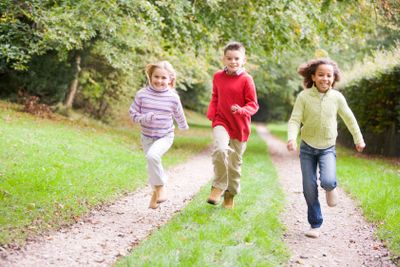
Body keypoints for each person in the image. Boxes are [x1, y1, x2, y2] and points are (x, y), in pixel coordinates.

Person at [287, 58, 366, 238]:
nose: (325, 78)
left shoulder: (337, 97)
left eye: (329, 75)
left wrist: (358, 139)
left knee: (328, 180)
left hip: (327, 148)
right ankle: (315, 224)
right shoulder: (304, 96)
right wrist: (291, 138)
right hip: (307, 147)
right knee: (309, 187)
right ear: (313, 77)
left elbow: (350, 119)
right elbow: (294, 120)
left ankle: (330, 187)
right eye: (321, 75)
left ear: (334, 78)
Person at [206, 41, 259, 209]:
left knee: (234, 165)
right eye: (229, 58)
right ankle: (218, 186)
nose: (233, 61)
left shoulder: (246, 79)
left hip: (240, 125)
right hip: (222, 120)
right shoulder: (218, 77)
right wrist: (212, 113)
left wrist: (242, 110)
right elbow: (215, 96)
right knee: (220, 149)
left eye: (237, 58)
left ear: (244, 60)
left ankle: (230, 194)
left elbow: (253, 104)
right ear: (223, 59)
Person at [129, 61, 189, 209]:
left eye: (163, 78)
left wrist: (183, 126)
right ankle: (155, 195)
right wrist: (144, 118)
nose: (159, 81)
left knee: (152, 157)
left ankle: (161, 187)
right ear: (150, 76)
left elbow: (179, 114)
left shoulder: (173, 97)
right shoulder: (142, 94)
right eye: (156, 76)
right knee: (151, 164)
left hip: (165, 135)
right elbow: (133, 114)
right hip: (146, 136)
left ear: (170, 79)